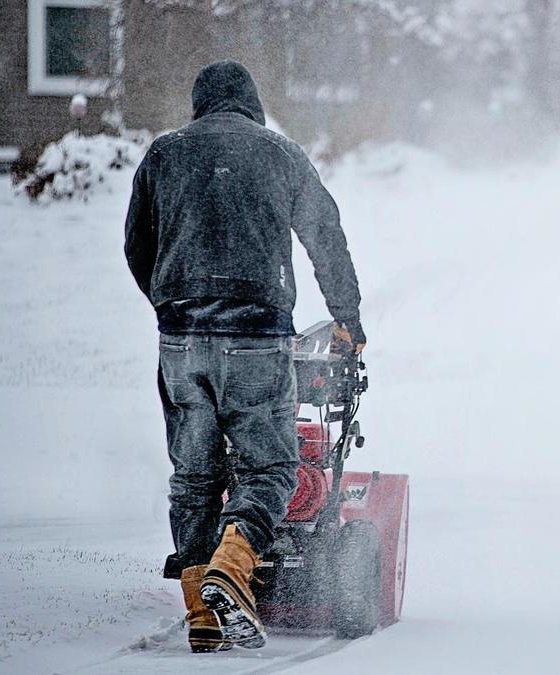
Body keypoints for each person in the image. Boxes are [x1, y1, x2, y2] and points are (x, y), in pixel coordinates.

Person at [124, 60, 365, 652]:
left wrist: (170, 301)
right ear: (252, 105)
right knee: (270, 470)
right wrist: (348, 319)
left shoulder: (163, 154)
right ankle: (231, 570)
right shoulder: (280, 153)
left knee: (195, 477)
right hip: (257, 336)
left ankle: (200, 614)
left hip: (181, 338)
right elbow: (324, 233)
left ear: (199, 105)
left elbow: (136, 244)